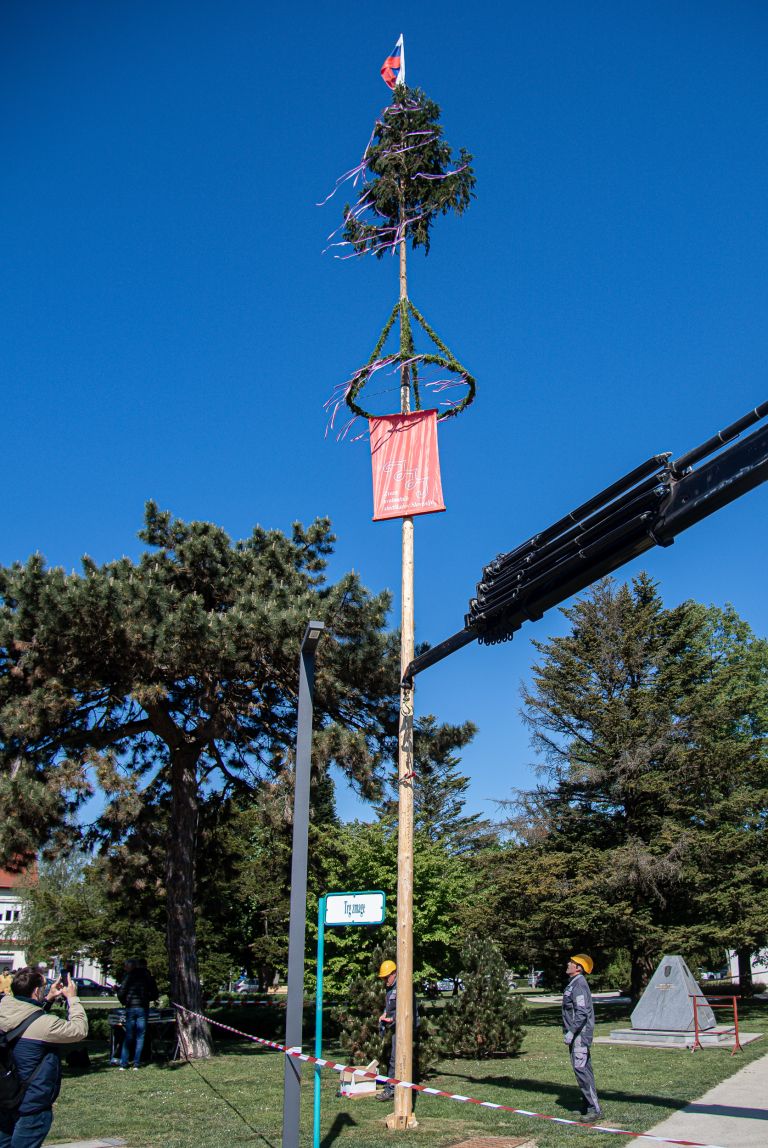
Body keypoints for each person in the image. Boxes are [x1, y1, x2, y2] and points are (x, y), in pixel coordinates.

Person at [0, 966, 88, 1148]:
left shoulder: (3, 1009)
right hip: (31, 1104)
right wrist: (72, 998)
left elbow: (25, 1017)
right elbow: (79, 1030)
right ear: (36, 990)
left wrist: (47, 999)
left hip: (4, 1099)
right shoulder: (46, 1025)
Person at [562, 953, 602, 1122]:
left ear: (578, 968)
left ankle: (594, 1109)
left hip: (580, 1035)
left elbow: (582, 1012)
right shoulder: (574, 983)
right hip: (576, 1034)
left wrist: (572, 1032)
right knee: (583, 1069)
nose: (568, 964)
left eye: (572, 962)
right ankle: (587, 1105)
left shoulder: (579, 984)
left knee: (582, 1070)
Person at [116, 958, 159, 1071]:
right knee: (140, 1036)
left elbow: (121, 992)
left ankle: (124, 1062)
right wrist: (146, 999)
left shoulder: (128, 976)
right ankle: (136, 1063)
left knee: (129, 1035)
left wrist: (125, 1001)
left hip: (130, 1007)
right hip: (143, 1008)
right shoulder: (147, 977)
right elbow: (154, 993)